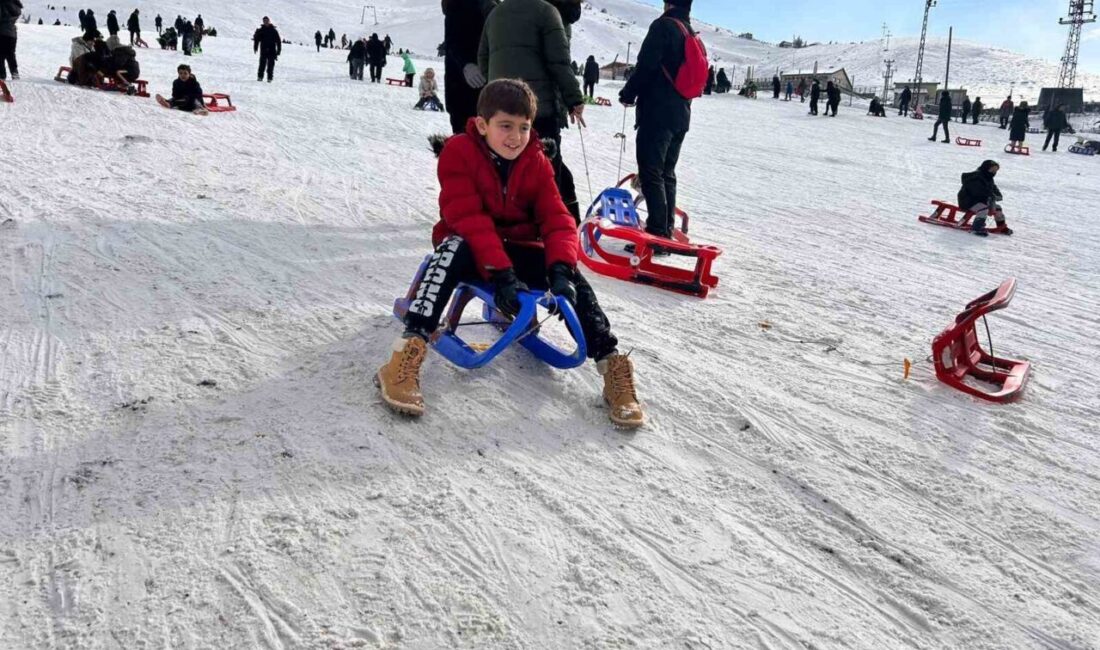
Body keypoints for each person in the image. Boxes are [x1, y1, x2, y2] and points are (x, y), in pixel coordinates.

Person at [376, 79, 645, 427]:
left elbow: (557, 216)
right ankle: (406, 352)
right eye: (505, 126)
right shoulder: (458, 153)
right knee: (451, 248)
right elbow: (468, 218)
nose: (515, 137)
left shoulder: (536, 159)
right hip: (472, 248)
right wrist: (501, 273)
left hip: (517, 250)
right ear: (483, 125)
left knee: (572, 277)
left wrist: (562, 269)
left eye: (523, 127)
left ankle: (611, 364)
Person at [479, 0, 587, 223]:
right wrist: (574, 99)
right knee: (546, 171)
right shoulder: (547, 12)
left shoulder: (495, 13)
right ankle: (548, 227)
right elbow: (559, 62)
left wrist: (496, 90)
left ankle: (508, 222)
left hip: (500, 109)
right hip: (538, 108)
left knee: (506, 165)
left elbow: (483, 59)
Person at [619, 0, 704, 241]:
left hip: (657, 112)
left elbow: (646, 66)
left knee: (650, 171)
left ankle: (656, 232)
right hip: (681, 114)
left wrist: (628, 93)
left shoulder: (663, 26)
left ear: (667, 3)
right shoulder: (689, 31)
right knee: (667, 171)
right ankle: (664, 228)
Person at [443, 0, 497, 135]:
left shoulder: (494, 5)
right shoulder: (457, 6)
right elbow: (452, 43)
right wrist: (465, 65)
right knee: (466, 139)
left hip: (489, 87)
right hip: (463, 86)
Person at [957, 160, 1012, 236]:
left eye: (995, 170)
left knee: (997, 208)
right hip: (968, 201)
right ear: (986, 168)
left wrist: (998, 195)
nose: (994, 172)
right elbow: (977, 191)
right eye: (992, 169)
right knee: (983, 208)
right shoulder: (976, 176)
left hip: (981, 201)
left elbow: (994, 189)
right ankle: (976, 228)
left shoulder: (989, 178)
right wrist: (991, 195)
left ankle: (1001, 226)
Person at [253, 16, 281, 82]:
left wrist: (278, 50)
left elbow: (278, 41)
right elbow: (257, 40)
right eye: (264, 21)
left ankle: (269, 78)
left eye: (266, 20)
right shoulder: (261, 30)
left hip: (272, 50)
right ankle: (260, 77)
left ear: (269, 21)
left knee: (270, 65)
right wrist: (255, 47)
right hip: (263, 50)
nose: (265, 22)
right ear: (263, 22)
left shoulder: (273, 30)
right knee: (262, 64)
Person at [0, 0, 21, 81]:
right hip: (12, 33)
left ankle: (1, 74)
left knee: (0, 54)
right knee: (10, 53)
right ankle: (14, 72)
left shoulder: (2, 3)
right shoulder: (15, 4)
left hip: (2, 31)